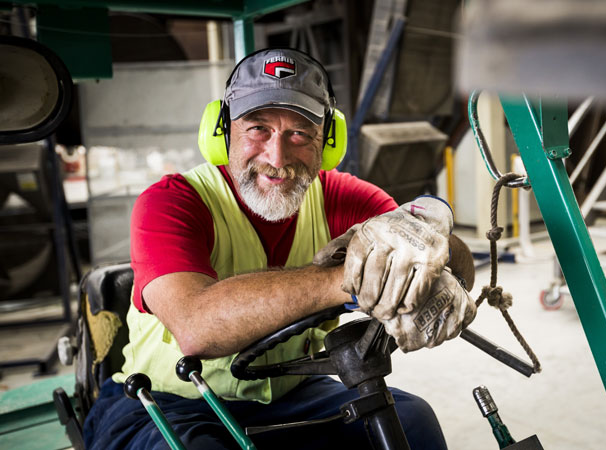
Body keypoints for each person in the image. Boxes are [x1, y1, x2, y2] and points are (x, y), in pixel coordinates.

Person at [83, 48, 476, 450]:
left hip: (296, 395)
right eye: (258, 128)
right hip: (168, 403)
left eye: (300, 133)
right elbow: (196, 327)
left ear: (328, 141)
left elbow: (448, 260)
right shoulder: (171, 203)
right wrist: (349, 279)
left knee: (413, 421)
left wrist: (433, 233)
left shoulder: (344, 198)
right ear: (222, 131)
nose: (278, 157)